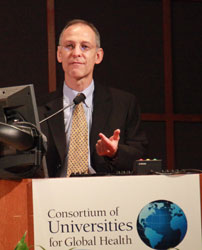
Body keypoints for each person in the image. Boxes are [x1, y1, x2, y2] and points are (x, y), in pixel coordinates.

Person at [40, 19, 148, 177]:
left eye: (85, 47)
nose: (76, 53)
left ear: (98, 56)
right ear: (59, 54)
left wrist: (115, 152)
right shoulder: (40, 107)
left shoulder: (124, 104)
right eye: (69, 46)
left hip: (106, 193)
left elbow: (140, 154)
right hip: (54, 194)